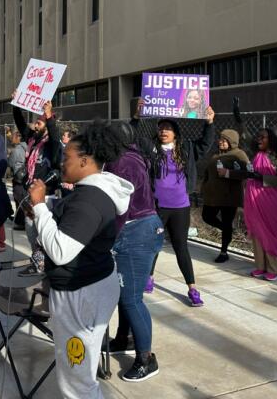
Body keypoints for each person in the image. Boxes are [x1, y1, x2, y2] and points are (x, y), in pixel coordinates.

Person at [28, 121, 133, 399]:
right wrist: (46, 213)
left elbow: (61, 250)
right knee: (81, 366)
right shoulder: (92, 192)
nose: (62, 163)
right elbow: (73, 226)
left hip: (81, 293)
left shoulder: (88, 199)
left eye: (67, 158)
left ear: (85, 161)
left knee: (77, 379)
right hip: (92, 283)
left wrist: (39, 207)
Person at [133, 98, 215, 306]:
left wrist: (209, 123)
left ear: (175, 132)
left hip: (180, 207)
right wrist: (135, 117)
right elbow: (131, 139)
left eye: (168, 128)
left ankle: (192, 288)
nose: (163, 131)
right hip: (157, 206)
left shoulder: (186, 148)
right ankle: (148, 278)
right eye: (161, 127)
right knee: (153, 244)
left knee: (181, 247)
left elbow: (205, 144)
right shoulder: (151, 148)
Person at [104, 121, 163, 381]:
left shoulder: (123, 163)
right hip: (138, 229)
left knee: (132, 299)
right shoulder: (128, 157)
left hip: (136, 233)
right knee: (123, 293)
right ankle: (124, 337)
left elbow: (119, 207)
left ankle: (146, 359)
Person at [12, 92, 62, 276]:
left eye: (39, 122)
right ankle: (38, 262)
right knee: (31, 231)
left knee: (43, 233)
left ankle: (46, 264)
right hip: (29, 196)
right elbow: (20, 124)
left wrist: (49, 116)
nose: (35, 124)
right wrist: (16, 105)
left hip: (46, 197)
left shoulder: (51, 145)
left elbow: (56, 136)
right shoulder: (33, 140)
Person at [243, 126, 277, 281]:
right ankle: (261, 266)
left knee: (269, 233)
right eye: (258, 137)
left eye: (263, 137)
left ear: (272, 139)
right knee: (257, 231)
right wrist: (239, 120)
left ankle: (275, 269)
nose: (259, 139)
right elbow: (246, 136)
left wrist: (261, 178)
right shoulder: (258, 154)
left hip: (269, 202)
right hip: (253, 200)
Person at [201, 128, 250, 263]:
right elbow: (207, 174)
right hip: (212, 196)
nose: (221, 142)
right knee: (207, 216)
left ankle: (224, 252)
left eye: (225, 140)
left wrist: (229, 173)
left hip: (229, 196)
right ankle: (227, 229)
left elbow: (248, 173)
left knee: (227, 221)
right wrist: (204, 187)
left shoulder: (239, 154)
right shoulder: (215, 156)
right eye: (220, 139)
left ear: (232, 142)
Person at [7, 129, 28, 230]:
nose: (12, 138)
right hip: (26, 177)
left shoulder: (17, 149)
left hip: (18, 177)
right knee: (24, 199)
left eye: (14, 136)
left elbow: (10, 163)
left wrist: (9, 156)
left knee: (18, 199)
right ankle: (20, 219)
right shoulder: (28, 146)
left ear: (19, 137)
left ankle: (21, 222)